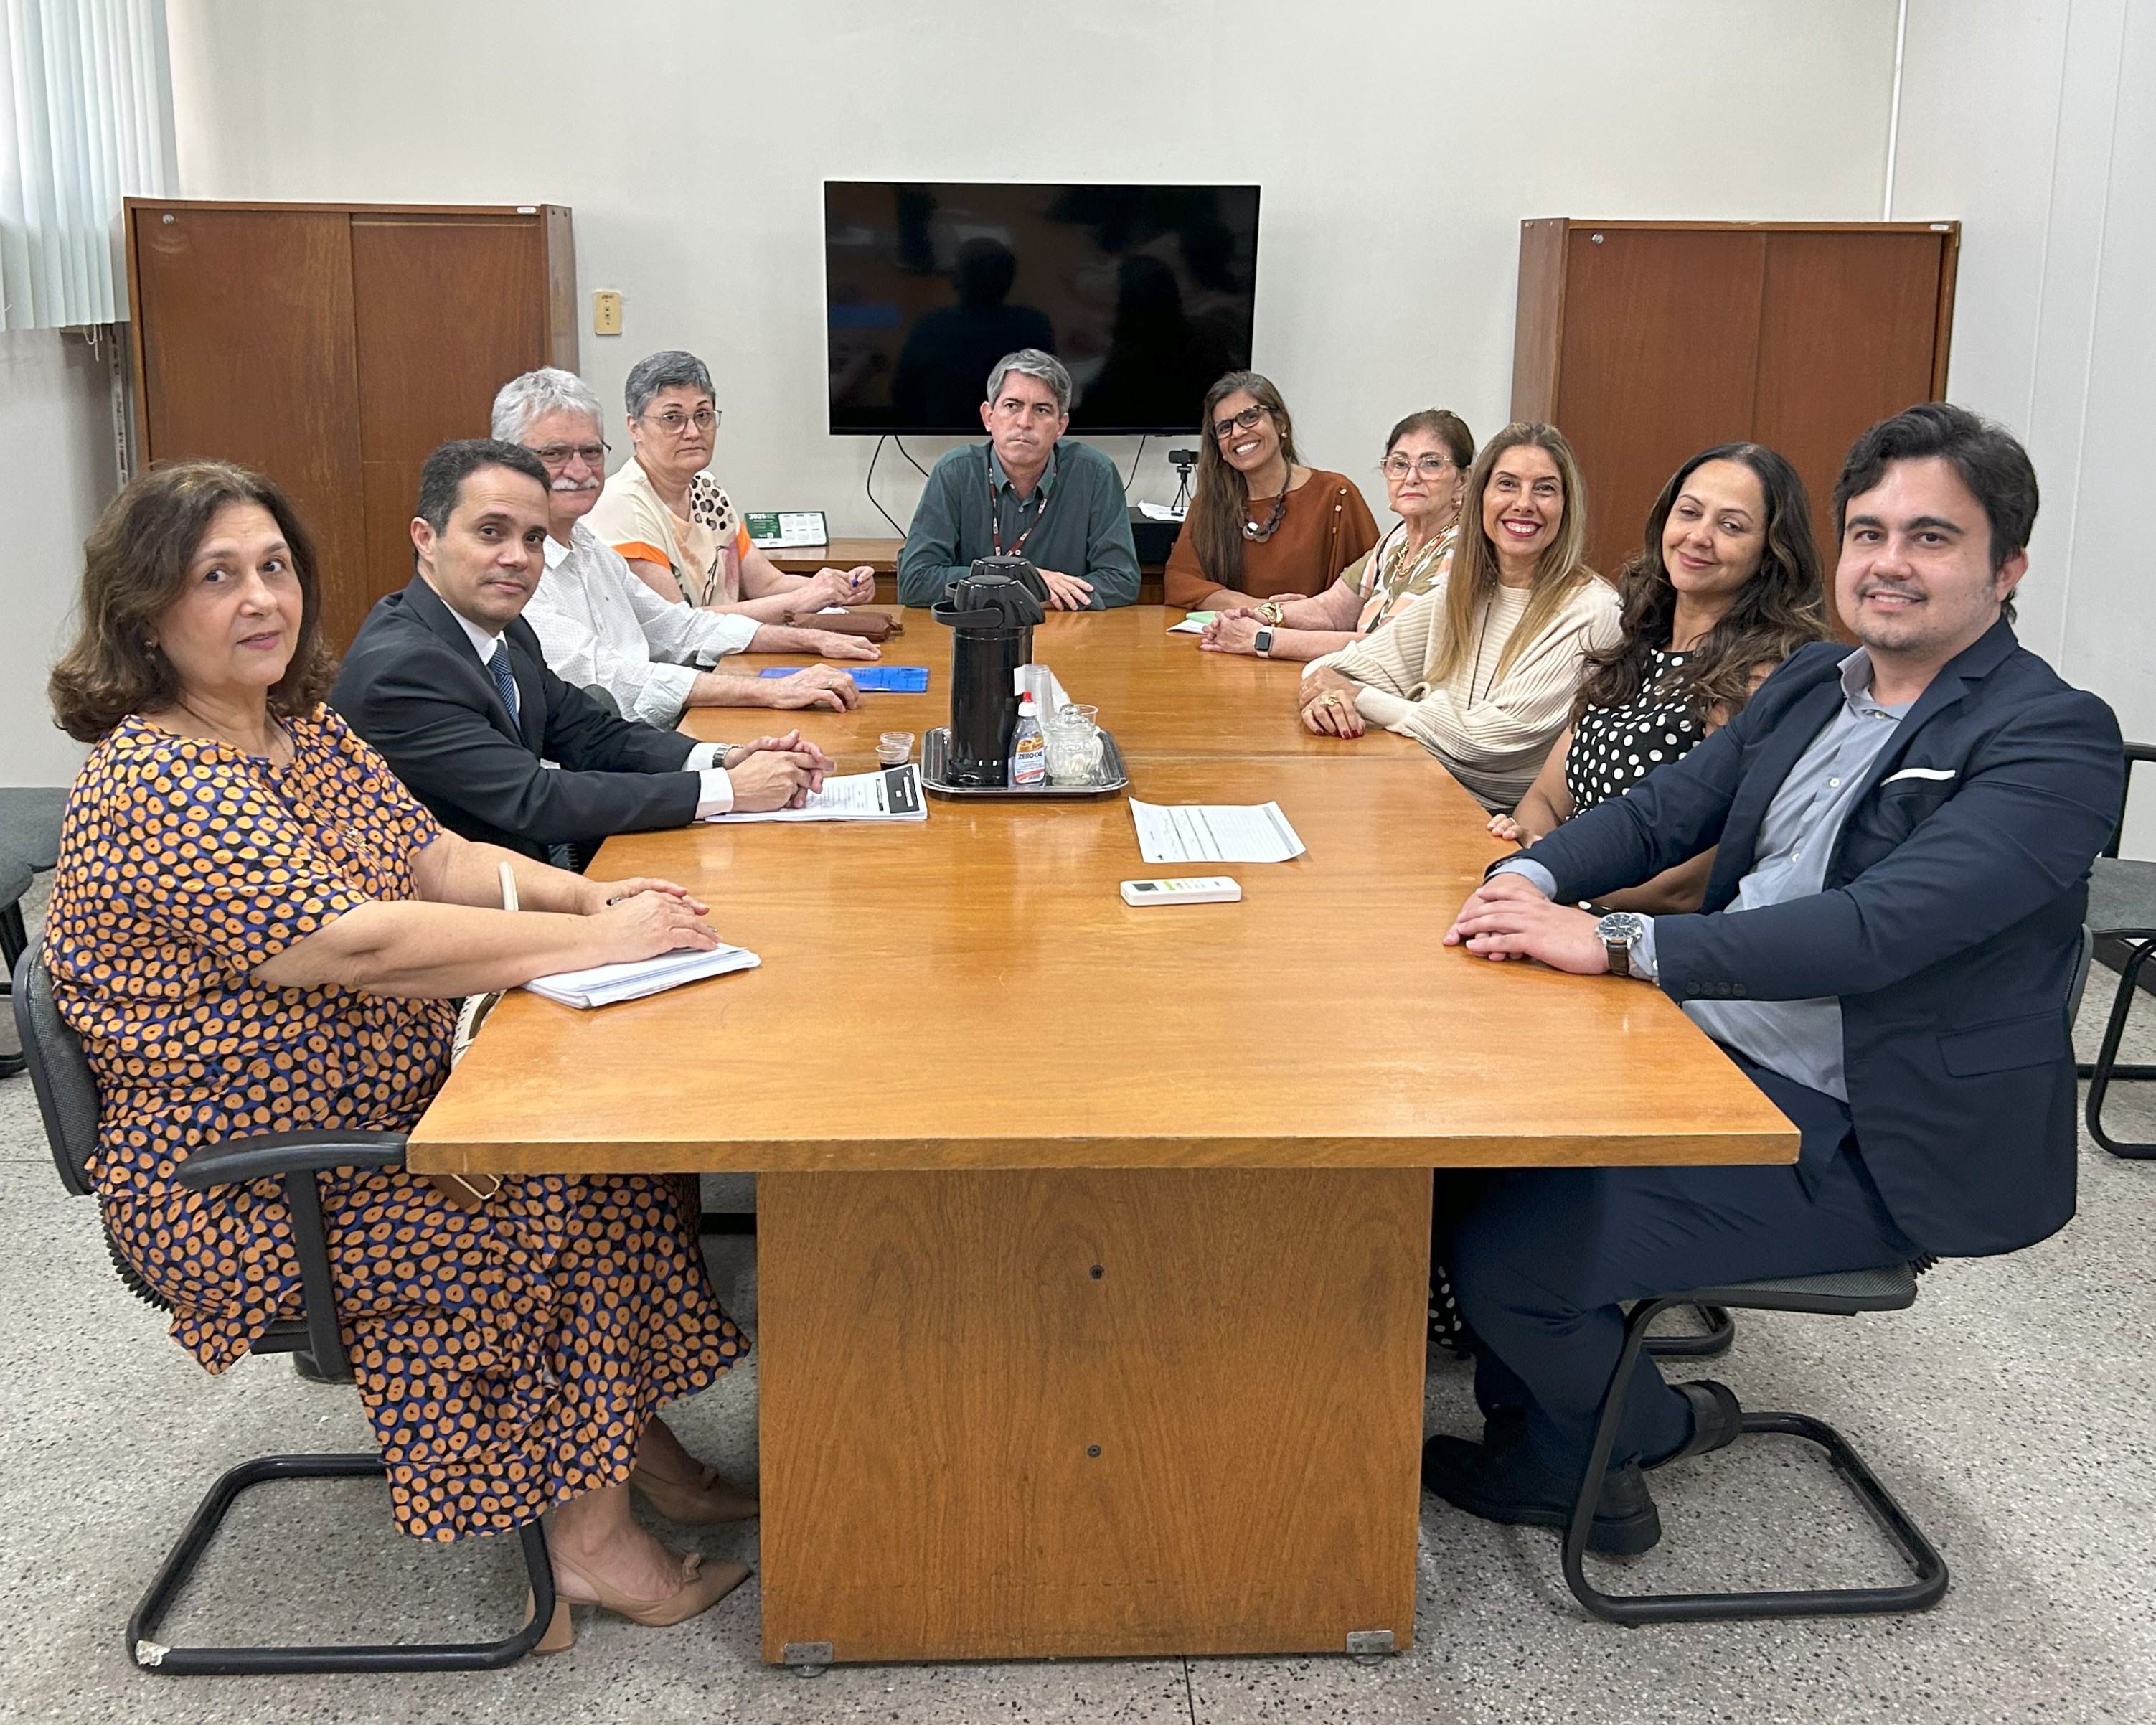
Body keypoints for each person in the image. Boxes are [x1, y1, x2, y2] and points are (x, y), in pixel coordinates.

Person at [43, 459, 772, 1645]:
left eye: (273, 566)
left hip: (384, 1116)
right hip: (254, 1177)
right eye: (216, 576)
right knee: (556, 1194)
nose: (260, 598)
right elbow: (358, 943)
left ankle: (624, 1450)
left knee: (620, 1157)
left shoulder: (294, 726)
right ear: (145, 611)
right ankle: (589, 1549)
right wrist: (587, 942)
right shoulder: (158, 778)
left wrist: (588, 900)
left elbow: (433, 857)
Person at [1428, 403, 2123, 1556]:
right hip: (1707, 1043)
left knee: (1509, 1261)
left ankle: (1634, 1441)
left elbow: (1875, 931)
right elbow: (1663, 812)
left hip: (1863, 1129)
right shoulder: (1813, 683)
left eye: (1931, 537)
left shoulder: (2053, 739)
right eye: (1869, 533)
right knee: (1457, 1146)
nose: (1888, 563)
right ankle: (1557, 1430)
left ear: (2007, 568)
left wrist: (1614, 941)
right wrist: (1528, 876)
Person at [332, 440, 834, 863]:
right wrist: (730, 790)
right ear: (426, 538)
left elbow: (590, 734)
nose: (517, 557)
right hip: (456, 920)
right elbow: (534, 799)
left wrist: (726, 758)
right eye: (490, 532)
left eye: (533, 538)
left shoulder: (504, 630)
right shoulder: (402, 668)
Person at [1487, 443, 1827, 911]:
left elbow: (1685, 887)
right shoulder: (1637, 645)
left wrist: (1548, 876)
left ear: (1770, 554)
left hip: (1623, 927)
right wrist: (1532, 858)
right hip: (1545, 894)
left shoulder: (1758, 679)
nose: (1699, 536)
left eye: (1730, 526)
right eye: (1689, 512)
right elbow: (1544, 798)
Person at [494, 368, 860, 725]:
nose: (579, 471)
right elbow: (607, 676)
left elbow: (679, 627)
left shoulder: (588, 547)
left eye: (591, 452)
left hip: (647, 732)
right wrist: (771, 689)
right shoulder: (511, 570)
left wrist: (811, 639)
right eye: (554, 454)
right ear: (508, 459)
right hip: (608, 750)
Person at [1297, 424, 1620, 812]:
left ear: (1567, 507)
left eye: (1545, 489)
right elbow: (1336, 669)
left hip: (1493, 819)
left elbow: (1486, 742)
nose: (1523, 503)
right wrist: (1327, 698)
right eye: (1507, 484)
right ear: (1479, 496)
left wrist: (1360, 698)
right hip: (1416, 788)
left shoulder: (1593, 611)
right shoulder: (1462, 590)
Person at [585, 349, 881, 654]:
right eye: (672, 418)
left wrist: (836, 587)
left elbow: (767, 585)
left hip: (727, 658)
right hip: (678, 673)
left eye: (703, 415)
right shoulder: (620, 505)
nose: (693, 432)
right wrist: (800, 600)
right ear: (635, 428)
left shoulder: (707, 489)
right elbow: (677, 629)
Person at [1198, 408, 1473, 662]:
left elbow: (1383, 647)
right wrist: (1258, 616)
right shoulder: (1397, 540)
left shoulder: (1462, 551)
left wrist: (1260, 639)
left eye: (1431, 464)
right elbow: (1331, 610)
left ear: (1462, 480)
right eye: (1399, 464)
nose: (1411, 477)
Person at [895, 349, 1142, 611]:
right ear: (989, 417)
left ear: (1060, 426)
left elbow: (1122, 579)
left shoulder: (1095, 474)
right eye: (1012, 406)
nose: (1024, 422)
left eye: (1041, 410)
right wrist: (1022, 583)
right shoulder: (954, 472)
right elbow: (915, 582)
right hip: (975, 628)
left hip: (1065, 628)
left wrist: (1038, 597)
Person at [1162, 372, 1380, 611]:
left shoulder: (1335, 496)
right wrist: (1262, 609)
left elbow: (1372, 591)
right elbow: (1180, 583)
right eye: (1225, 427)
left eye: (1250, 417)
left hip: (1313, 635)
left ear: (1281, 424)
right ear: (1219, 448)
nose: (1237, 433)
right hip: (1231, 633)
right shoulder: (1208, 506)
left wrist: (1295, 616)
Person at [891, 236, 1055, 430]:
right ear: (1009, 282)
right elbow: (1052, 395)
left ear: (955, 281)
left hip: (940, 432)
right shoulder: (1034, 327)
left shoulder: (930, 327)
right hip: (1017, 434)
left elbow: (903, 398)